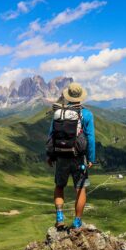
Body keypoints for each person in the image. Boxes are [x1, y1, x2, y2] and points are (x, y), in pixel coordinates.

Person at [47, 82, 95, 229]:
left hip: (61, 156)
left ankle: (60, 217)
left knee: (59, 186)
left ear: (67, 96)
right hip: (78, 157)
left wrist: (50, 155)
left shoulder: (59, 113)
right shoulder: (86, 114)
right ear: (81, 97)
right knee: (80, 189)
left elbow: (51, 135)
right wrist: (91, 158)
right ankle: (77, 221)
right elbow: (91, 138)